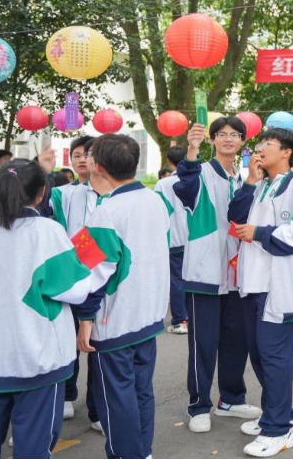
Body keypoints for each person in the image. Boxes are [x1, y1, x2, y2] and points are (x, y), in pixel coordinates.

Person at [227, 128, 293, 457]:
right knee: (259, 354)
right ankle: (281, 414)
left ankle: (278, 430)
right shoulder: (259, 185)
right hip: (253, 284)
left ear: (287, 152)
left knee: (274, 358)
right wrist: (250, 182)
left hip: (280, 286)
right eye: (259, 144)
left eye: (267, 144)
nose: (259, 149)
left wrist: (260, 233)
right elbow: (235, 217)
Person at [73, 134, 171, 459]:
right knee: (141, 391)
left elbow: (89, 271)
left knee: (116, 399)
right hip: (148, 315)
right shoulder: (156, 199)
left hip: (114, 320)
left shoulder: (106, 210)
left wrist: (85, 318)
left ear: (98, 166)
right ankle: (142, 452)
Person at [0, 160, 92, 459]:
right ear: (41, 193)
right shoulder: (47, 231)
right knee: (33, 450)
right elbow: (76, 290)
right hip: (37, 358)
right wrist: (84, 257)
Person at [175, 117, 262, 433]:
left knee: (235, 341)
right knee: (203, 343)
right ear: (213, 140)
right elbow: (185, 184)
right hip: (205, 274)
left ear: (242, 142)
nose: (228, 139)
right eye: (221, 134)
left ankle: (231, 399)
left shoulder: (239, 178)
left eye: (234, 134)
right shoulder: (201, 173)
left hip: (237, 275)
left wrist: (251, 181)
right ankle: (198, 405)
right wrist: (191, 150)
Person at [47, 135, 107, 428]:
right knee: (69, 342)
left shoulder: (112, 194)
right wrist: (45, 171)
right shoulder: (64, 194)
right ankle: (68, 395)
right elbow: (44, 211)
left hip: (103, 280)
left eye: (89, 154)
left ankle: (98, 407)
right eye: (77, 155)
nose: (83, 159)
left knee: (97, 346)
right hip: (72, 282)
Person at [154, 145, 190, 335]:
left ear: (170, 162)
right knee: (192, 279)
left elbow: (158, 213)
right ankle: (192, 318)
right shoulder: (197, 180)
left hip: (173, 239)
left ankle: (180, 320)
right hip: (195, 239)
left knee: (176, 280)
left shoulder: (163, 184)